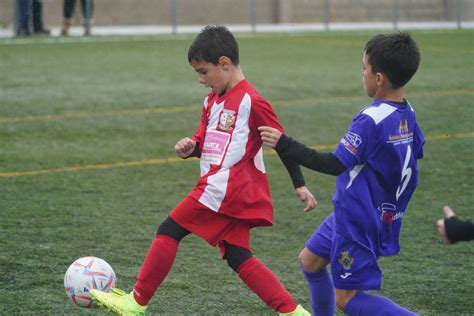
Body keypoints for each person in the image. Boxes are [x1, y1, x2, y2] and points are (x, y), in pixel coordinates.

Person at [90, 25, 315, 315]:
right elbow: (205, 141)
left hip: (226, 187)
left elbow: (282, 144)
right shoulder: (211, 101)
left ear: (224, 63)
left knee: (169, 229)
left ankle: (135, 303)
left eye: (203, 71)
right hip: (223, 189)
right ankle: (293, 312)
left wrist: (299, 184)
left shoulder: (252, 101)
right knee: (238, 255)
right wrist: (191, 147)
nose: (200, 80)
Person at [259, 32, 423, 315]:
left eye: (364, 68)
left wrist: (284, 143)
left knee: (346, 298)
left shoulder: (370, 119)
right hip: (358, 210)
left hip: (360, 217)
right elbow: (414, 152)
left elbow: (335, 164)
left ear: (379, 78)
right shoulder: (407, 112)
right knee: (309, 261)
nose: (362, 74)